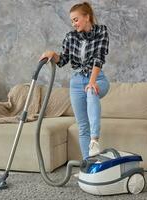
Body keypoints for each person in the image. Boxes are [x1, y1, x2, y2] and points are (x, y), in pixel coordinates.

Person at [39, 2, 110, 161]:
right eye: (72, 21)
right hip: (77, 82)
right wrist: (52, 54)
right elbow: (63, 60)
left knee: (91, 91)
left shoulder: (101, 31)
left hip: (97, 78)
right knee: (82, 126)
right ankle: (88, 165)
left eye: (76, 19)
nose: (73, 23)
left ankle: (94, 140)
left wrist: (92, 81)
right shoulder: (71, 37)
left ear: (87, 17)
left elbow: (99, 57)